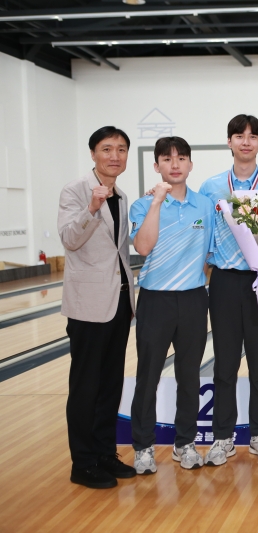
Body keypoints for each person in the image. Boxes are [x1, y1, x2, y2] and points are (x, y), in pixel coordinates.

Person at [198, 114, 258, 465]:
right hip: (224, 280)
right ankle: (223, 437)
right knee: (224, 364)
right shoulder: (210, 187)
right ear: (229, 142)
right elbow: (203, 234)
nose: (246, 142)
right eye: (239, 136)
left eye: (253, 136)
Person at [128, 137, 215, 474]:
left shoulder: (205, 205)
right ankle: (143, 447)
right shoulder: (142, 205)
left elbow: (210, 253)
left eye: (181, 158)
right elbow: (143, 247)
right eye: (167, 158)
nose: (175, 164)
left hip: (193, 299)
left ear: (191, 164)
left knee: (189, 376)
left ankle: (185, 443)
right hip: (156, 299)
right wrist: (157, 202)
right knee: (148, 376)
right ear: (156, 166)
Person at [58, 126, 137, 489]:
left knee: (109, 384)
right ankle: (83, 462)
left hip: (118, 301)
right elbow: (70, 239)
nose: (114, 156)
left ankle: (105, 453)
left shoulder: (121, 195)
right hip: (88, 305)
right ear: (93, 153)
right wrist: (91, 207)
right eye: (107, 149)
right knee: (86, 386)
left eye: (121, 149)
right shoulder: (75, 191)